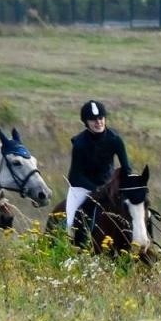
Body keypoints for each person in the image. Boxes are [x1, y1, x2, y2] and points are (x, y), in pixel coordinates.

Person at [64, 99, 133, 246]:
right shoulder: (79, 143)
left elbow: (126, 167)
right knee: (70, 222)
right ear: (86, 122)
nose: (98, 122)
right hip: (82, 186)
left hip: (108, 185)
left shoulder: (115, 139)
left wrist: (125, 184)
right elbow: (76, 175)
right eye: (93, 120)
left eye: (101, 118)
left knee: (137, 206)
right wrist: (96, 189)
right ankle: (77, 248)